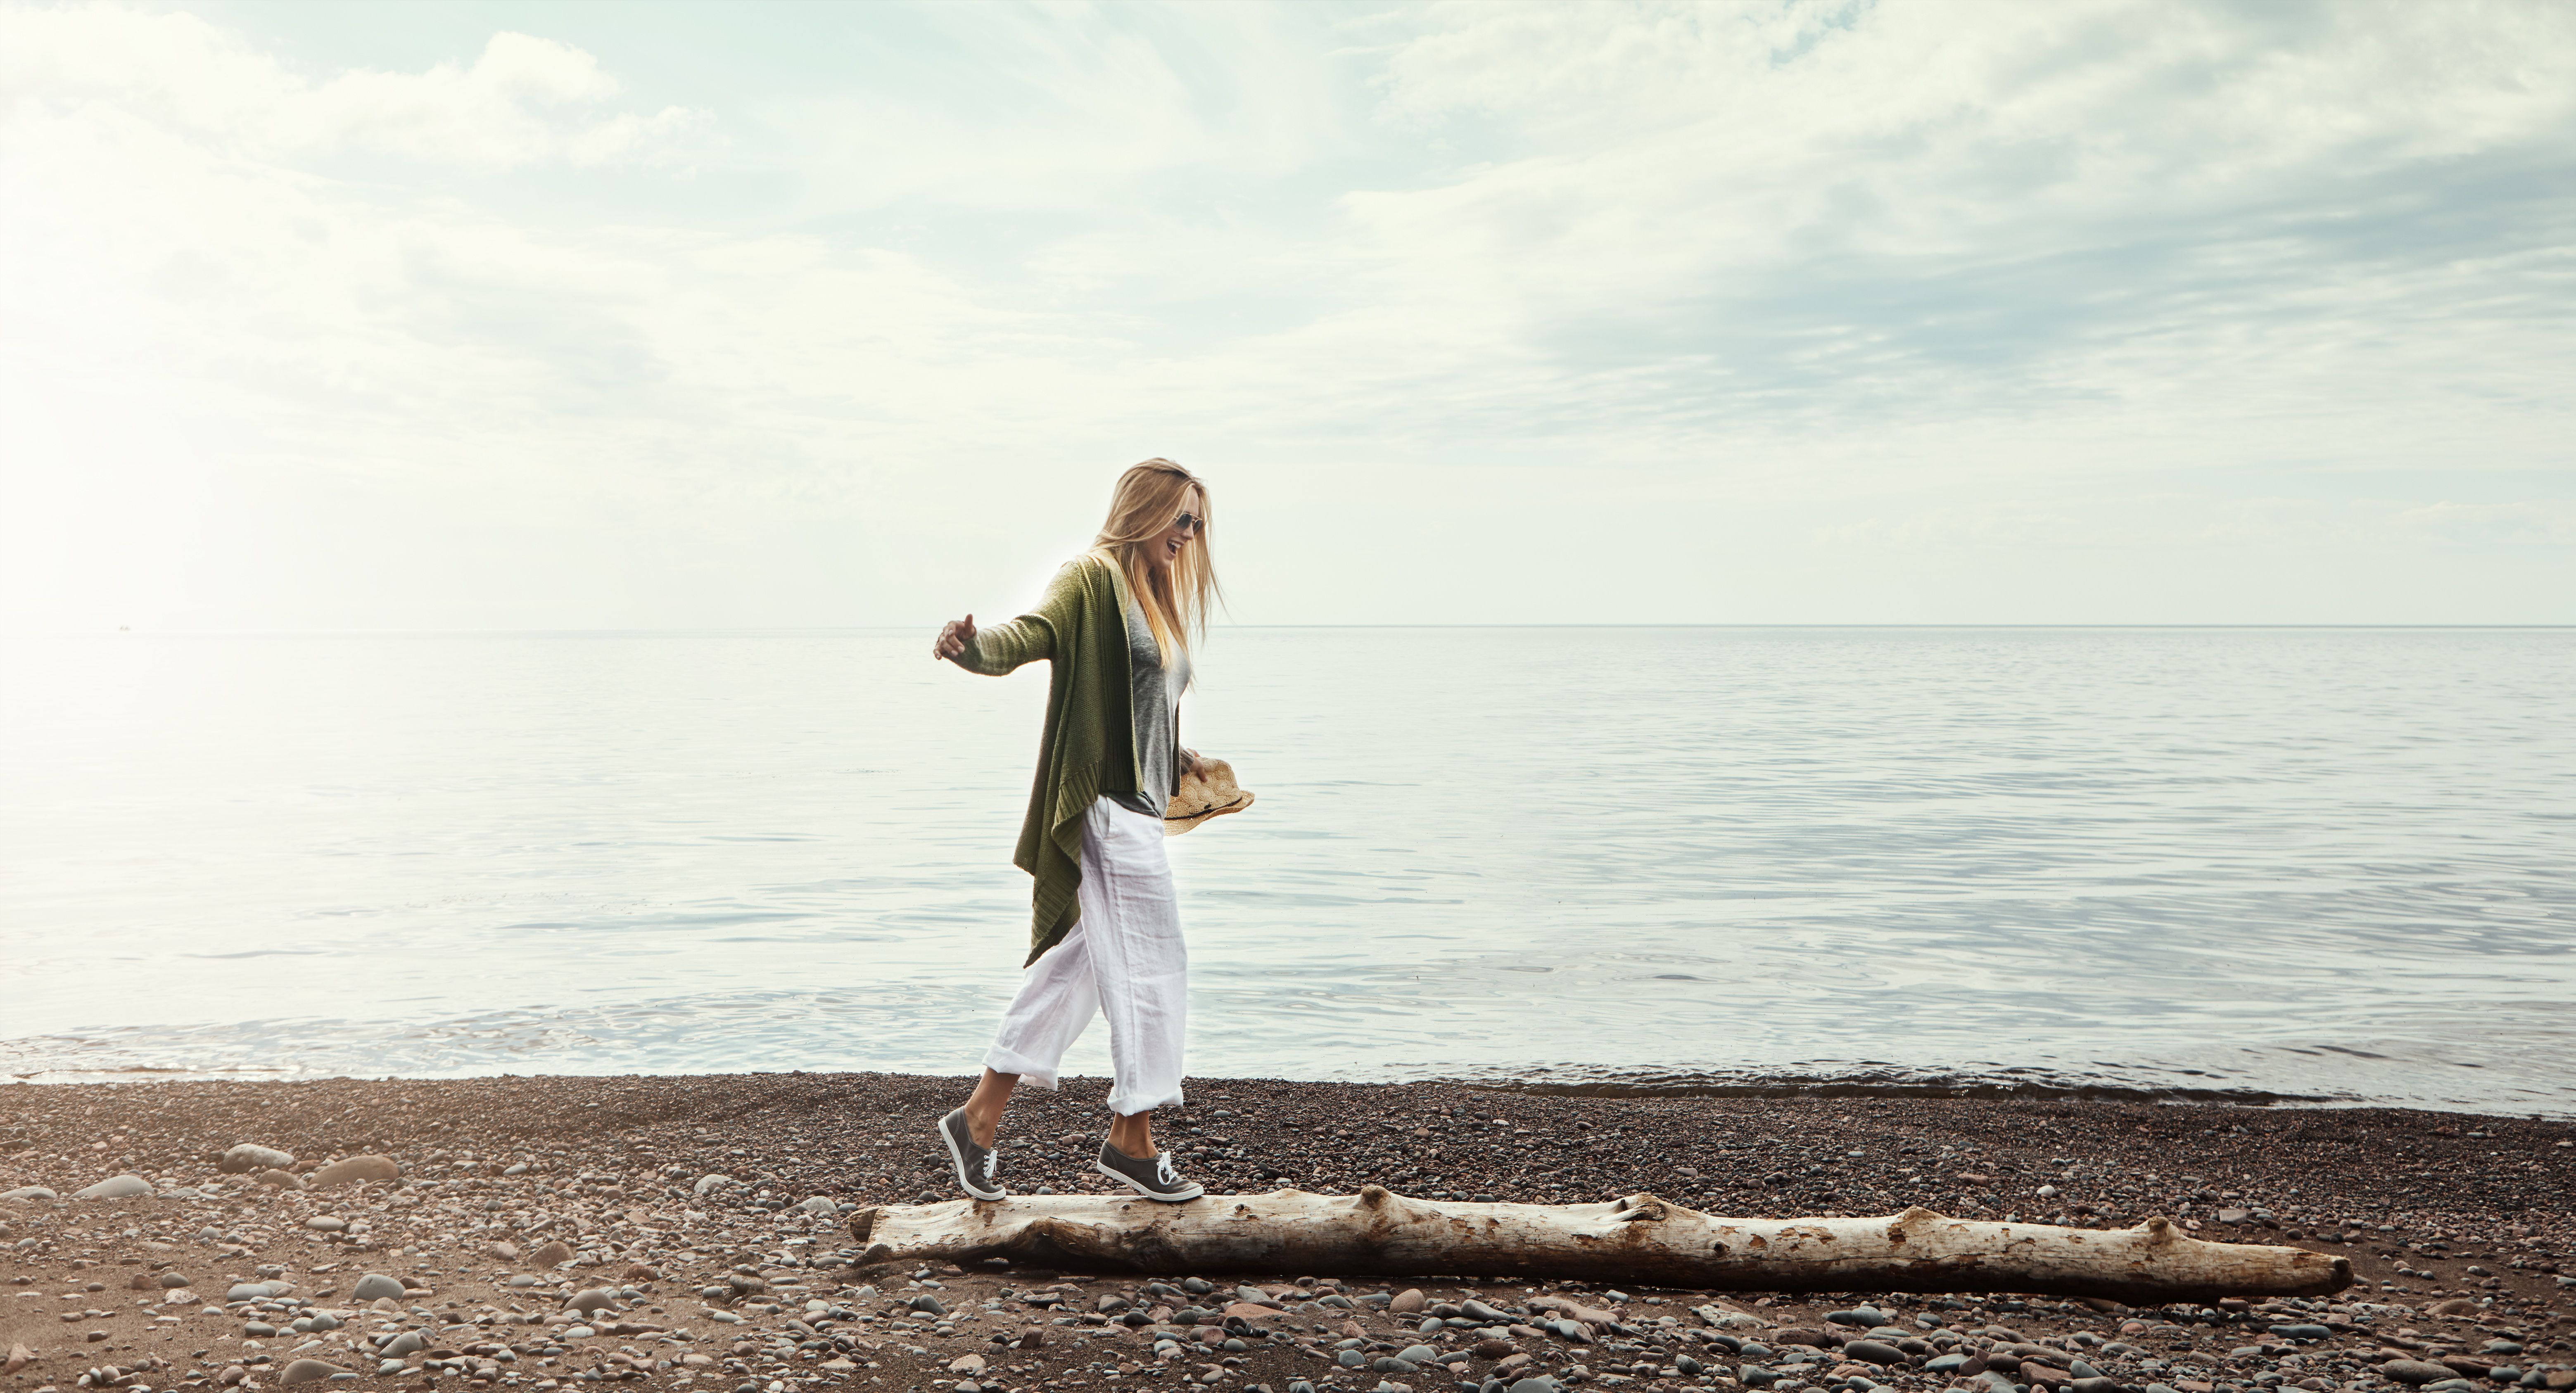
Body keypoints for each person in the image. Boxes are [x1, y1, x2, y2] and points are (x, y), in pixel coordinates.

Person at [927, 458, 1220, 1203]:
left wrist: (1174, 754)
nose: (1188, 534)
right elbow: (1031, 634)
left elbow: (1141, 701)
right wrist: (971, 648)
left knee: (1083, 964)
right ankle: (1133, 1136)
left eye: (1197, 522)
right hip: (1107, 804)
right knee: (1155, 963)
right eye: (1179, 517)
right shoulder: (1090, 578)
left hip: (1141, 802)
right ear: (1144, 510)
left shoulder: (1152, 599)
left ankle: (979, 1116)